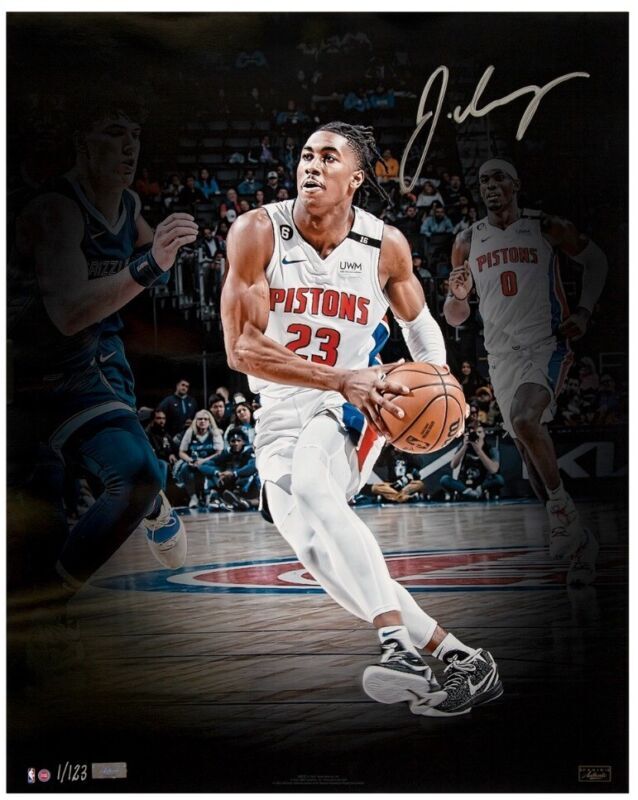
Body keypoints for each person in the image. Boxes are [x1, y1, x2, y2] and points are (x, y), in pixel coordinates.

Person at [221, 121, 502, 718]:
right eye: (306, 155)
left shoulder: (385, 245)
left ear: (355, 178)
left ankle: (397, 648)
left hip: (358, 398)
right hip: (281, 408)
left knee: (314, 481)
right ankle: (462, 659)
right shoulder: (257, 231)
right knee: (316, 553)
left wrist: (436, 386)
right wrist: (336, 378)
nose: (312, 166)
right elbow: (241, 348)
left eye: (328, 158)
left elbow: (421, 329)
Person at [8, 100, 198, 647]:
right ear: (82, 144)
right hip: (28, 373)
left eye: (134, 133)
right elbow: (68, 312)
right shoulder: (56, 209)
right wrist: (151, 263)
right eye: (115, 132)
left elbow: (147, 250)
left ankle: (51, 610)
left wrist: (168, 248)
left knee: (135, 475)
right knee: (40, 522)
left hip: (90, 364)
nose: (130, 145)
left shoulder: (128, 203)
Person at [444, 158, 608, 585]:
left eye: (498, 178)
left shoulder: (544, 226)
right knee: (530, 454)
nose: (490, 186)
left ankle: (562, 513)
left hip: (546, 345)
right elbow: (456, 316)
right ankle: (580, 544)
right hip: (499, 357)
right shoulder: (467, 240)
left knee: (523, 419)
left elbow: (597, 261)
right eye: (483, 180)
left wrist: (585, 311)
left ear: (516, 184)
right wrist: (458, 297)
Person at [440, 419, 505, 500]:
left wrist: (479, 450)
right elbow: (453, 465)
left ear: (484, 434)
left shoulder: (491, 449)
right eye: (474, 433)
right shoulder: (464, 446)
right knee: (445, 479)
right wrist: (464, 446)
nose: (477, 435)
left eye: (479, 432)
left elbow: (494, 470)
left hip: (482, 484)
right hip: (464, 484)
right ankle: (469, 492)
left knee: (499, 479)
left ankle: (477, 491)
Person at [199, 427, 260, 511]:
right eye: (233, 441)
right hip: (230, 482)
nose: (236, 443)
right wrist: (218, 473)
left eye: (238, 441)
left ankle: (241, 500)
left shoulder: (249, 451)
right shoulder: (225, 453)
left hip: (247, 485)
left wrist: (234, 473)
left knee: (254, 475)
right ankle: (215, 498)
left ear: (243, 442)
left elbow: (253, 466)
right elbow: (203, 465)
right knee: (211, 474)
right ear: (229, 442)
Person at [175, 410, 224, 508]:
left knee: (206, 467)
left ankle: (209, 495)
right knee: (184, 468)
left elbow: (219, 453)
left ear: (210, 421)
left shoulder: (214, 433)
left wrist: (203, 461)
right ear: (195, 421)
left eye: (206, 419)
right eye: (200, 419)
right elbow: (181, 452)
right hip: (194, 462)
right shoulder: (190, 432)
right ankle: (193, 497)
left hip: (210, 461)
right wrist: (190, 460)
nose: (202, 421)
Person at [145, 408, 179, 491]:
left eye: (163, 418)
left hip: (167, 460)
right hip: (154, 462)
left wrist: (171, 454)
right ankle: (161, 492)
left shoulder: (164, 432)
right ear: (153, 420)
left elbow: (174, 447)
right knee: (162, 464)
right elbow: (155, 452)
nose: (162, 421)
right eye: (159, 418)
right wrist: (168, 455)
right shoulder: (148, 433)